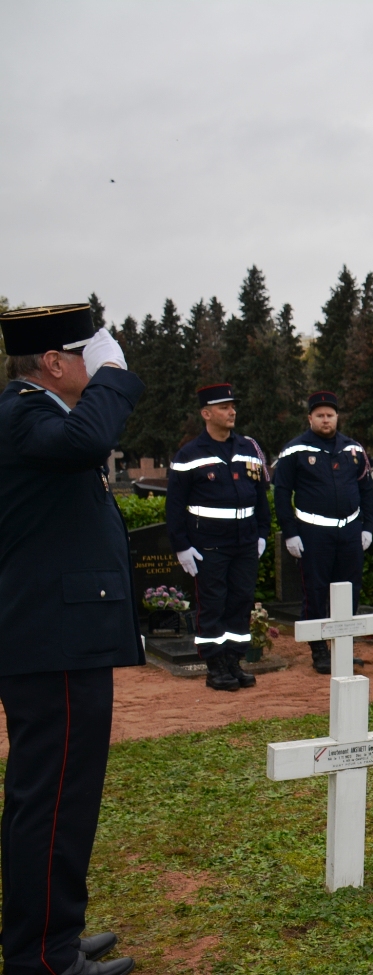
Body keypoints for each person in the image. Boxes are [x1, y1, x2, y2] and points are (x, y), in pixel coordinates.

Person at [0, 305, 140, 975]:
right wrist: (116, 374)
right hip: (49, 639)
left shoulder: (34, 414)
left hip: (55, 636)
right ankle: (44, 958)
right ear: (54, 362)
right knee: (53, 796)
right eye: (91, 354)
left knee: (57, 793)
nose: (102, 365)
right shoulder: (28, 414)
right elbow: (88, 442)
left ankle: (48, 934)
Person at [167, 382, 271, 692]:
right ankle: (215, 666)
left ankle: (234, 661)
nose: (232, 411)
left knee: (240, 602)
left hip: (245, 543)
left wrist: (262, 533)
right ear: (206, 413)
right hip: (209, 545)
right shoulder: (189, 454)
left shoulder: (248, 447)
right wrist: (181, 546)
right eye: (224, 407)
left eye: (232, 406)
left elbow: (261, 496)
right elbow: (174, 506)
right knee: (213, 604)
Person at [274, 391, 373, 672]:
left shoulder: (353, 450)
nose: (325, 420)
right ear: (310, 418)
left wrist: (367, 527)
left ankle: (343, 646)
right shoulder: (294, 450)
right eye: (319, 415)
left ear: (337, 417)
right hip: (313, 534)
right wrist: (290, 533)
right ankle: (319, 651)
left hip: (349, 533)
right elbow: (281, 494)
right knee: (316, 592)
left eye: (330, 415)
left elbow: (367, 492)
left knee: (349, 591)